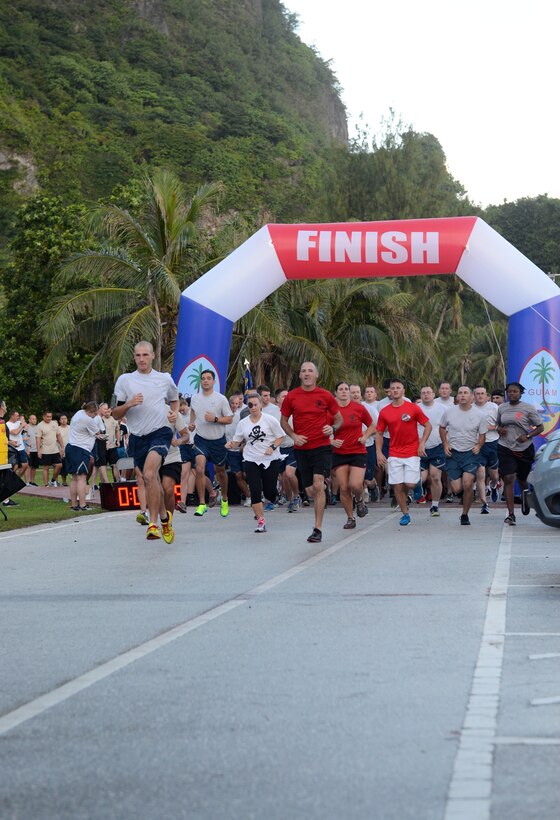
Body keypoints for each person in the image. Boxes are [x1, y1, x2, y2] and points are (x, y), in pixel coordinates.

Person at [111, 340, 179, 543]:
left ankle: (153, 524)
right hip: (137, 437)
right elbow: (115, 413)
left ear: (152, 356)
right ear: (134, 357)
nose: (141, 359)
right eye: (138, 355)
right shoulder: (125, 380)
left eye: (145, 355)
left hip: (160, 431)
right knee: (152, 480)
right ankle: (165, 519)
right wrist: (130, 403)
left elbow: (175, 399)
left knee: (149, 473)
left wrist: (174, 414)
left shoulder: (164, 379)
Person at [280, 362, 342, 543]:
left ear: (316, 375)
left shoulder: (325, 395)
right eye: (303, 371)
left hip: (321, 447)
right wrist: (293, 435)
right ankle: (324, 489)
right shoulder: (292, 396)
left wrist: (332, 428)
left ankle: (317, 528)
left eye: (310, 371)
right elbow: (283, 420)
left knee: (316, 484)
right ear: (299, 375)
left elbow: (339, 419)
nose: (306, 374)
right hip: (301, 448)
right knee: (309, 490)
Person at [375, 379, 432, 526]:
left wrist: (422, 444)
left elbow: (428, 425)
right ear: (389, 392)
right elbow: (379, 433)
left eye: (398, 388)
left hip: (412, 452)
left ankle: (417, 484)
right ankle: (405, 514)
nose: (395, 390)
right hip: (394, 453)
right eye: (392, 388)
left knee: (410, 484)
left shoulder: (413, 408)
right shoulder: (385, 411)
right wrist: (379, 452)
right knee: (398, 486)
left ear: (403, 391)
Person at [226, 393, 285, 533]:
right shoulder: (243, 423)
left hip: (270, 459)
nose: (253, 407)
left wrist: (272, 447)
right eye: (250, 405)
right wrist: (231, 444)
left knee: (269, 491)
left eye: (255, 404)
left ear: (260, 405)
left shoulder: (270, 420)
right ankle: (261, 521)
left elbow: (281, 436)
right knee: (255, 490)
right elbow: (238, 440)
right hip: (251, 459)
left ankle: (273, 496)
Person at [439, 386, 488, 526]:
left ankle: (465, 514)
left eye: (465, 393)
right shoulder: (449, 412)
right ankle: (464, 494)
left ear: (471, 396)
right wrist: (445, 444)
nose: (462, 395)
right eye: (460, 393)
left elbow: (482, 434)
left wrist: (478, 446)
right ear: (457, 397)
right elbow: (442, 428)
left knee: (467, 483)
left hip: (470, 453)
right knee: (457, 488)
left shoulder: (479, 415)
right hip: (453, 452)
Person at [496, 382, 543, 525]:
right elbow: (498, 425)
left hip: (524, 447)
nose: (511, 394)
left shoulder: (528, 408)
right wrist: (499, 429)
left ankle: (524, 498)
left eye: (515, 391)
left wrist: (528, 436)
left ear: (521, 393)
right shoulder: (502, 408)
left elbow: (540, 427)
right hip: (505, 446)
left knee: (522, 479)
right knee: (509, 477)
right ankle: (511, 514)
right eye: (509, 392)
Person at [331, 381, 376, 529]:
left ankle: (359, 499)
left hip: (357, 451)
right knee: (344, 488)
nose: (344, 391)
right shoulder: (331, 411)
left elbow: (372, 425)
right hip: (339, 453)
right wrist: (331, 441)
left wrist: (365, 436)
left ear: (350, 393)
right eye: (341, 389)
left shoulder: (358, 408)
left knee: (355, 484)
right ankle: (350, 518)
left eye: (346, 389)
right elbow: (322, 429)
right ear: (336, 393)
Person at [189, 369, 233, 518]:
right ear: (200, 381)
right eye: (203, 378)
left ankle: (225, 499)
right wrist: (191, 422)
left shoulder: (221, 399)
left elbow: (229, 419)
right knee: (199, 469)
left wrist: (215, 419)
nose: (206, 380)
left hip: (218, 441)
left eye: (209, 378)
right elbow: (193, 411)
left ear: (214, 381)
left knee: (220, 471)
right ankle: (202, 503)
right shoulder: (195, 398)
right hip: (201, 439)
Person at [65, 401, 105, 511]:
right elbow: (98, 432)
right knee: (82, 478)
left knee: (74, 478)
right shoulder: (88, 420)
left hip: (71, 447)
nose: (96, 416)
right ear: (91, 411)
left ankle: (74, 505)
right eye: (95, 413)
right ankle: (83, 505)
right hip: (80, 449)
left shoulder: (79, 413)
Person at [418, 386, 447, 517]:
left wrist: (447, 443)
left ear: (434, 394)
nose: (426, 395)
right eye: (423, 393)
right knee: (419, 479)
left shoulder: (442, 409)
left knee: (435, 477)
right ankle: (414, 495)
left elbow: (449, 426)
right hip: (419, 447)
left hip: (437, 447)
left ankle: (435, 506)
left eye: (428, 392)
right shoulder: (416, 408)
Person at [473, 386, 501, 513]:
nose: (480, 396)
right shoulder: (470, 408)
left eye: (482, 393)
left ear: (487, 396)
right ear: (473, 396)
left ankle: (494, 485)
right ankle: (484, 503)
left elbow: (501, 424)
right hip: (477, 444)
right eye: (477, 393)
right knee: (480, 474)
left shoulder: (494, 407)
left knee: (494, 475)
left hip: (492, 442)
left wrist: (490, 427)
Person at [276, 388, 300, 513]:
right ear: (278, 399)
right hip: (278, 448)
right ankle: (290, 500)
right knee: (283, 477)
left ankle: (296, 497)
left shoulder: (295, 411)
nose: (286, 398)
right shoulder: (271, 412)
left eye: (288, 396)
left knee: (290, 474)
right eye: (284, 396)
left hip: (292, 447)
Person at [36, 410, 64, 487]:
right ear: (43, 417)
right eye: (47, 417)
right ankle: (46, 485)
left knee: (59, 465)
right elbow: (38, 439)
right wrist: (39, 450)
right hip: (45, 450)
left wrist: (62, 447)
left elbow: (58, 436)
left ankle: (53, 480)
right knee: (46, 467)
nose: (49, 418)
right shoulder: (40, 425)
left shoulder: (54, 424)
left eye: (50, 417)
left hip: (55, 449)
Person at [6, 410, 29, 481]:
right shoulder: (7, 424)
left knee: (25, 465)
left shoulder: (18, 422)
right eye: (16, 416)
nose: (18, 417)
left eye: (18, 416)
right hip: (12, 448)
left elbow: (26, 426)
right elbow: (15, 432)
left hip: (21, 447)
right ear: (12, 416)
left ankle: (16, 480)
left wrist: (22, 420)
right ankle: (10, 481)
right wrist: (21, 425)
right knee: (14, 467)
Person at [25, 413, 39, 485]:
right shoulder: (26, 427)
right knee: (28, 466)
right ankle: (27, 482)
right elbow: (24, 439)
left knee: (34, 466)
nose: (34, 420)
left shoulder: (38, 427)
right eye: (33, 419)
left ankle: (32, 481)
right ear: (29, 420)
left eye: (35, 419)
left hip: (36, 449)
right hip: (29, 450)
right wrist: (27, 449)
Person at [58, 414, 71, 486]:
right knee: (63, 467)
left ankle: (74, 481)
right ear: (59, 420)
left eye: (65, 418)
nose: (64, 420)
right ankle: (64, 482)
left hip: (70, 450)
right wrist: (60, 449)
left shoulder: (70, 428)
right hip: (61, 450)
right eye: (62, 419)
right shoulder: (58, 428)